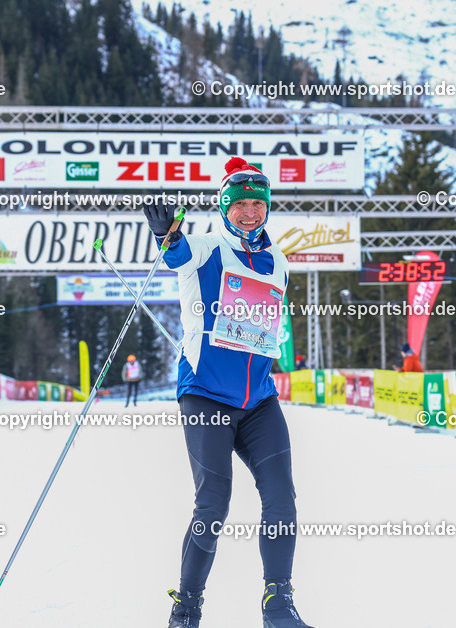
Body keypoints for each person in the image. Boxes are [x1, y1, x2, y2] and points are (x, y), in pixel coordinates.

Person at [143, 156, 314, 628]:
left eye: (258, 204)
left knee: (281, 497)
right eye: (240, 204)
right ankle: (187, 606)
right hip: (206, 394)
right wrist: (164, 234)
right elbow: (176, 254)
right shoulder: (206, 248)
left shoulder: (278, 261)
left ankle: (278, 603)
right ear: (224, 207)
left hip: (259, 400)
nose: (250, 213)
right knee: (213, 504)